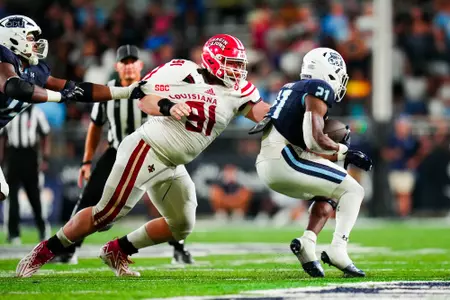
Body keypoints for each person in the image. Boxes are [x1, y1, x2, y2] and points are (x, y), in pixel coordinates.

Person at [16, 33, 271, 277]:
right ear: (213, 60)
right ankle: (43, 252)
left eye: (239, 65)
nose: (237, 71)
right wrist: (168, 106)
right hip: (147, 148)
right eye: (231, 64)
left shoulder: (239, 90)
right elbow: (143, 99)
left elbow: (263, 114)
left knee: (182, 224)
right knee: (105, 214)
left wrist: (291, 114)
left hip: (173, 162)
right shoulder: (180, 70)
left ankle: (118, 250)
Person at [53, 45, 193, 265]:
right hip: (116, 152)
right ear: (117, 66)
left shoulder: (154, 86)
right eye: (124, 63)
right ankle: (68, 249)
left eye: (132, 62)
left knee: (166, 202)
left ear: (140, 65)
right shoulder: (107, 90)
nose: (128, 67)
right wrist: (87, 160)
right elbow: (95, 126)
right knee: (89, 197)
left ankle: (179, 248)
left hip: (152, 151)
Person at [250, 48, 372, 277]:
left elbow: (308, 142)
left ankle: (307, 243)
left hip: (275, 159)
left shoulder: (291, 87)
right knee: (354, 191)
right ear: (329, 72)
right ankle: (338, 250)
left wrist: (338, 156)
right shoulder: (319, 88)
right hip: (285, 159)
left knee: (331, 192)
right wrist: (346, 152)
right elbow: (314, 139)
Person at [0, 15, 140, 202]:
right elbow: (15, 87)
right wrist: (59, 97)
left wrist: (125, 92)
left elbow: (75, 89)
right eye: (30, 38)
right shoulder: (3, 57)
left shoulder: (34, 71)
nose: (35, 44)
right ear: (12, 37)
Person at [1, 105, 50, 244]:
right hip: (13, 156)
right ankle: (13, 233)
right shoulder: (9, 112)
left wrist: (45, 157)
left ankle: (42, 229)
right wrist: (2, 159)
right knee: (12, 198)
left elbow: (45, 134)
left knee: (35, 196)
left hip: (30, 156)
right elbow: (3, 138)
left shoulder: (36, 112)